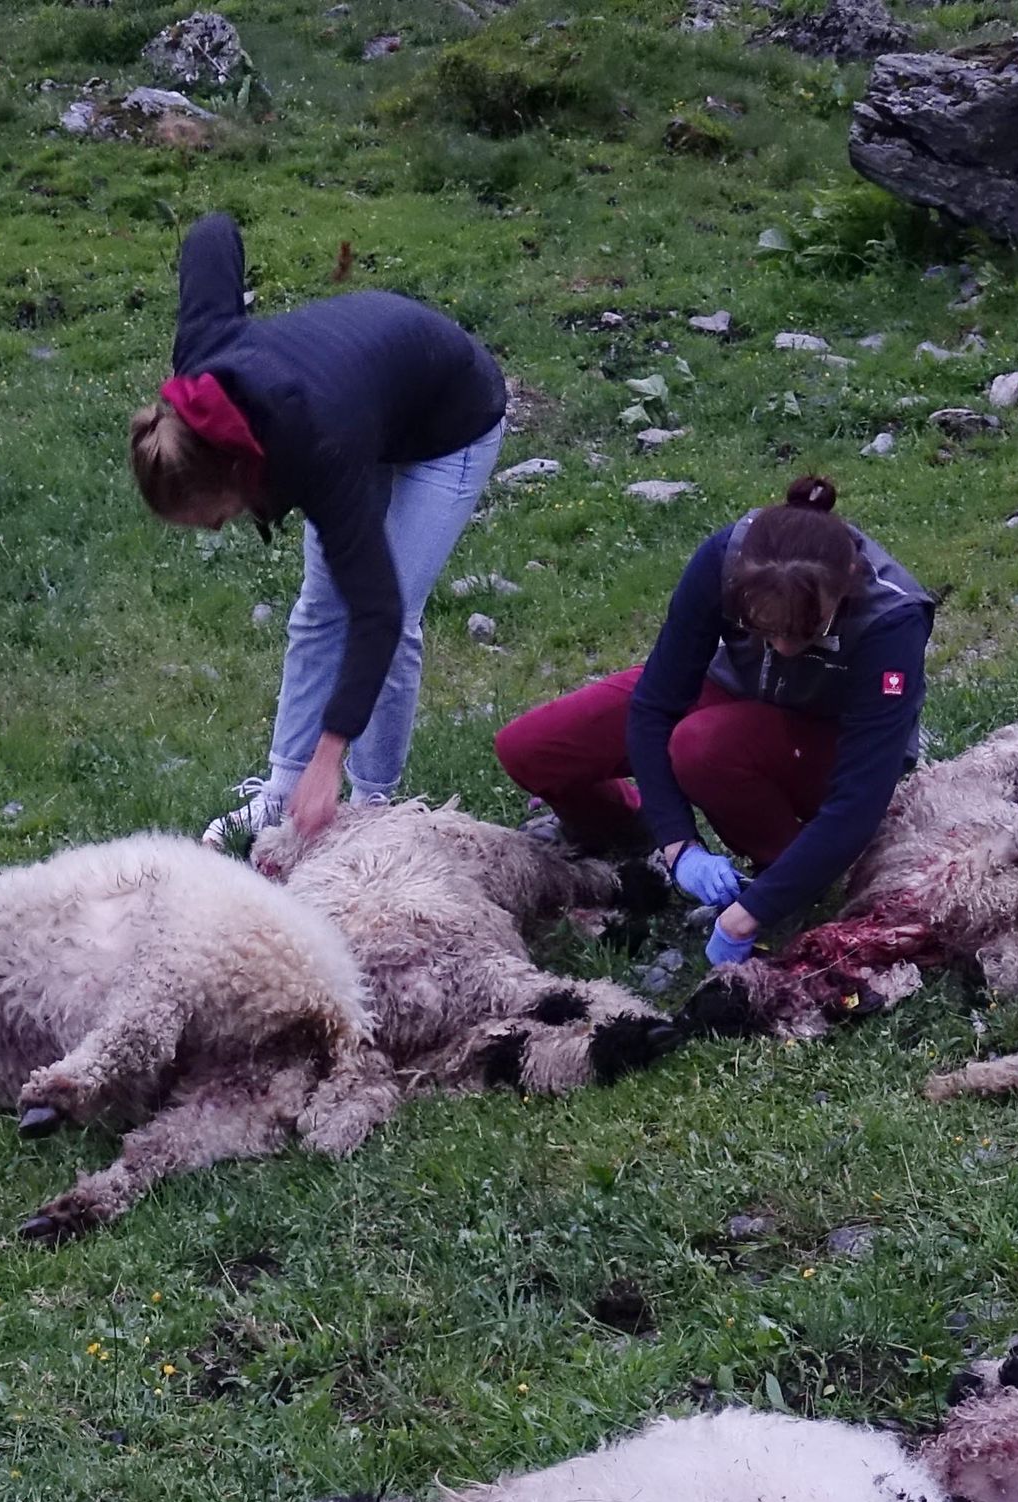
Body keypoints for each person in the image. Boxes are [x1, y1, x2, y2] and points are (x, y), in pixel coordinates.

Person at [133, 210, 508, 854]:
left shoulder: (313, 444)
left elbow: (377, 611)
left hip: (450, 413)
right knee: (319, 607)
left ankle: (372, 807)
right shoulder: (197, 373)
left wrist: (330, 755)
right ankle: (282, 792)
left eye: (212, 516)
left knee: (396, 612)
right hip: (369, 399)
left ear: (234, 469)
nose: (216, 528)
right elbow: (212, 232)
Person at [492, 478, 933, 964]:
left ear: (847, 579)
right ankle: (625, 832)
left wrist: (749, 915)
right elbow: (655, 704)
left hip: (825, 742)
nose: (785, 647)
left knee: (702, 745)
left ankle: (784, 876)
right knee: (531, 748)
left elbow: (859, 798)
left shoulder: (892, 618)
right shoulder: (725, 559)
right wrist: (678, 844)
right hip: (732, 689)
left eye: (808, 632)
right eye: (765, 630)